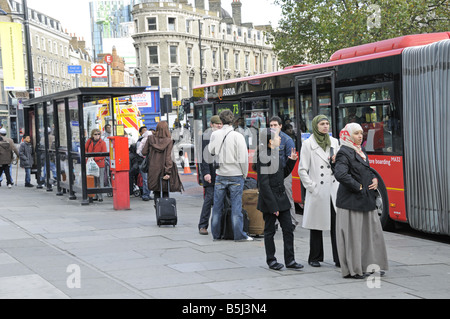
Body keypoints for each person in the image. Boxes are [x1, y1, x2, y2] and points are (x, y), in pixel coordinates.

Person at [334, 123, 388, 279]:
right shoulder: (344, 152)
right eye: (356, 133)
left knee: (370, 235)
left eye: (361, 133)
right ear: (349, 135)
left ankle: (371, 266)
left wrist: (374, 179)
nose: (360, 136)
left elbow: (367, 170)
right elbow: (340, 174)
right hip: (351, 202)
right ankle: (354, 269)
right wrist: (358, 187)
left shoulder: (361, 150)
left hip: (366, 200)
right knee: (354, 237)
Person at [256, 128, 303, 270]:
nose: (280, 138)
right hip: (270, 200)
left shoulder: (276, 154)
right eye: (277, 137)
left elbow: (282, 175)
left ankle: (290, 260)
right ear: (270, 141)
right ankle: (271, 260)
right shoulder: (263, 157)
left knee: (288, 229)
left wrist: (291, 162)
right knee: (270, 231)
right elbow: (263, 184)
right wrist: (273, 206)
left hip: (282, 198)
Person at [298, 115, 340, 267]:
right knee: (316, 225)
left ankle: (339, 258)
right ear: (316, 125)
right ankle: (315, 257)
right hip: (318, 189)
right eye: (322, 124)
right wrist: (311, 187)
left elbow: (340, 164)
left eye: (327, 123)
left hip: (333, 189)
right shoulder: (308, 144)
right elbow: (302, 169)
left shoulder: (334, 142)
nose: (325, 126)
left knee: (337, 225)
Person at [208, 109, 251, 241]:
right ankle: (239, 235)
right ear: (233, 120)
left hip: (220, 174)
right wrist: (245, 174)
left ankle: (216, 234)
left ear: (221, 121)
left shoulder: (215, 134)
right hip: (236, 174)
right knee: (236, 207)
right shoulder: (238, 136)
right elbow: (243, 158)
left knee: (217, 207)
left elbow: (211, 151)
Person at [142, 121, 182, 206]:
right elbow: (168, 157)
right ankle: (165, 211)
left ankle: (158, 210)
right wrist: (168, 172)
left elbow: (144, 152)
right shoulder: (169, 141)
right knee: (165, 190)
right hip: (164, 168)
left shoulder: (150, 138)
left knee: (156, 191)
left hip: (153, 168)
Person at [269, 116, 298, 228]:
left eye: (275, 125)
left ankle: (292, 221)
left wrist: (283, 172)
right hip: (271, 174)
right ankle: (275, 222)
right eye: (271, 125)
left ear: (280, 126)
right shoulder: (267, 139)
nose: (273, 127)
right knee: (272, 198)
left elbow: (290, 158)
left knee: (288, 196)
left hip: (284, 174)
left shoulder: (287, 140)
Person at [198, 115, 223, 235]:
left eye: (220, 124)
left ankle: (221, 225)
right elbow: (204, 157)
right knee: (209, 199)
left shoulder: (223, 135)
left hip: (222, 172)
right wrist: (206, 173)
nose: (219, 126)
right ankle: (203, 225)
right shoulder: (206, 137)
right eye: (217, 124)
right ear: (211, 125)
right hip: (211, 173)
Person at [85, 129, 107, 202]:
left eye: (98, 134)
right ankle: (94, 195)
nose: (97, 136)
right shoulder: (89, 141)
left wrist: (94, 158)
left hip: (99, 164)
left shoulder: (102, 143)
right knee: (93, 180)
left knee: (100, 180)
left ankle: (100, 196)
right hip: (91, 164)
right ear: (92, 135)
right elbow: (85, 150)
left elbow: (104, 154)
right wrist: (88, 157)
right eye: (95, 134)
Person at [137, 126, 152, 201]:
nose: (146, 131)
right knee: (145, 179)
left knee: (149, 179)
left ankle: (148, 193)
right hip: (142, 163)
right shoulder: (140, 141)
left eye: (146, 130)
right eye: (144, 131)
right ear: (140, 133)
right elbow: (138, 152)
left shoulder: (151, 140)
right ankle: (145, 194)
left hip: (149, 162)